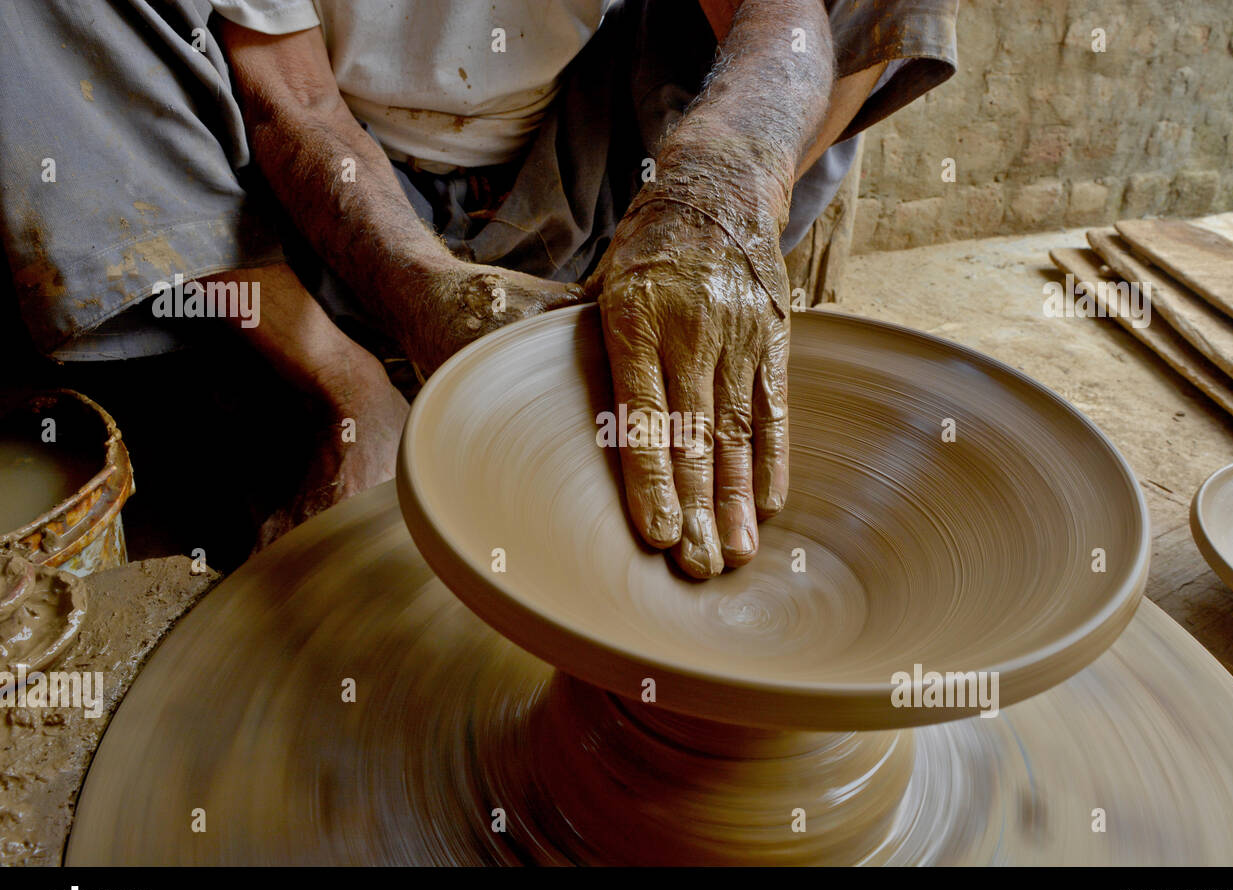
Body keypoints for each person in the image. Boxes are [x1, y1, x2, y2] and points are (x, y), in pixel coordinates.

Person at [0, 0, 957, 576]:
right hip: (290, 189)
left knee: (838, 30)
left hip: (583, 168)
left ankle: (664, 283)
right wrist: (420, 298)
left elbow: (781, 17)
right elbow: (293, 101)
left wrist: (717, 181)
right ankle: (352, 386)